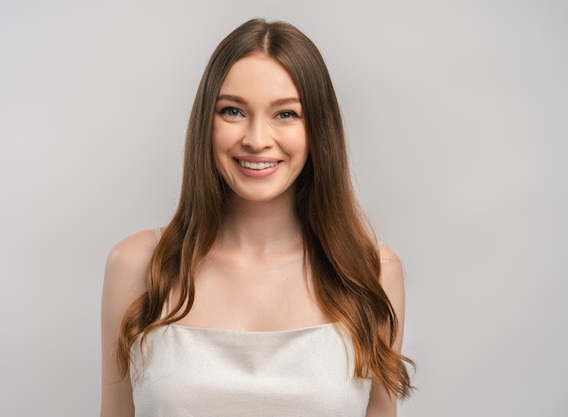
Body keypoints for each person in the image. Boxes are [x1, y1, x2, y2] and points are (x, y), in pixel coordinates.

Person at [101, 18, 413, 417]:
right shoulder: (137, 265)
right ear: (205, 124)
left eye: (286, 115)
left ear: (318, 129)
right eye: (232, 111)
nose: (256, 139)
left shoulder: (372, 272)